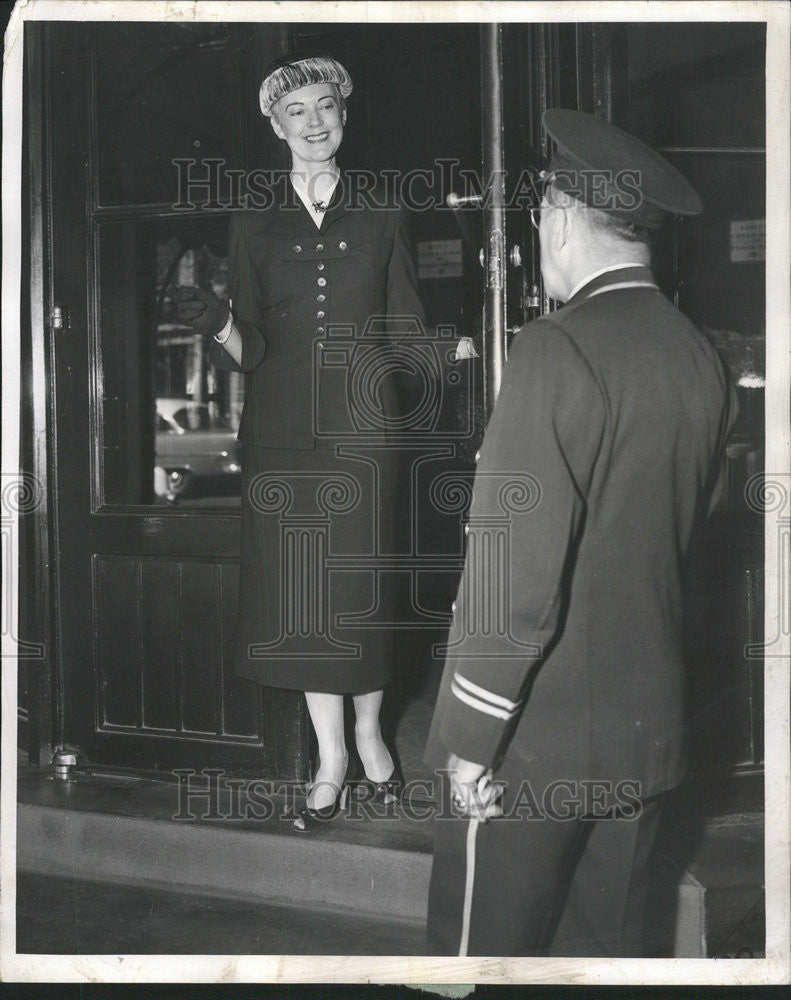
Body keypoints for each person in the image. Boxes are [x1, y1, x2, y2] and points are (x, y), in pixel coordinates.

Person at [424, 108, 738, 956]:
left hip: (535, 739)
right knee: (602, 957)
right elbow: (685, 529)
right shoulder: (699, 355)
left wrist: (469, 737)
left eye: (535, 221)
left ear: (559, 215)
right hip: (648, 731)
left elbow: (513, 572)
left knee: (476, 960)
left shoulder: (554, 350)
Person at [175, 50, 426, 831]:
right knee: (306, 600)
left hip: (364, 433)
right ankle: (332, 759)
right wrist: (215, 324)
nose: (313, 123)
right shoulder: (251, 220)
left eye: (325, 108)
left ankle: (369, 734)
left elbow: (405, 323)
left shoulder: (384, 211)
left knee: (358, 595)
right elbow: (250, 347)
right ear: (274, 125)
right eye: (296, 112)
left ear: (343, 115)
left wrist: (428, 377)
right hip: (282, 435)